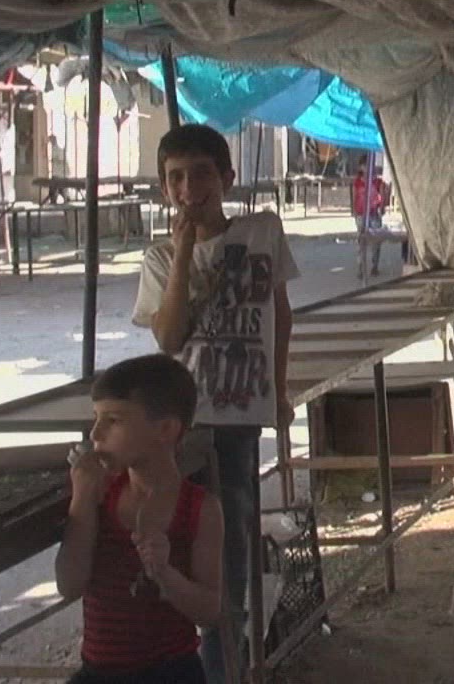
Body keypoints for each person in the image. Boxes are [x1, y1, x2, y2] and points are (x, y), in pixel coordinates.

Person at [133, 124, 300, 683]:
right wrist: (184, 250)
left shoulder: (262, 231)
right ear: (164, 189)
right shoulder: (160, 258)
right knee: (175, 548)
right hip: (183, 428)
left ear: (227, 178)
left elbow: (281, 314)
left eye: (201, 174)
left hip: (237, 422)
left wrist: (279, 391)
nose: (189, 189)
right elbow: (168, 338)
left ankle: (224, 665)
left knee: (230, 558)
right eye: (176, 178)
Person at [57, 354, 222, 684]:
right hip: (99, 673)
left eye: (113, 420)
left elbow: (208, 611)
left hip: (172, 673)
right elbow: (69, 585)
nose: (96, 434)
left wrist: (165, 574)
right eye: (96, 418)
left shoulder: (200, 508)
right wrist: (81, 500)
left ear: (165, 430)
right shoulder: (100, 495)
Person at [350, 155, 393, 274]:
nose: (368, 168)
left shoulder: (378, 182)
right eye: (365, 165)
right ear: (361, 167)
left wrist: (382, 207)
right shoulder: (357, 182)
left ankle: (375, 265)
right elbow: (354, 196)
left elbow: (383, 196)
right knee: (361, 241)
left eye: (370, 165)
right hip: (361, 214)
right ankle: (361, 266)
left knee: (376, 241)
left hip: (374, 214)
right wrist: (354, 211)